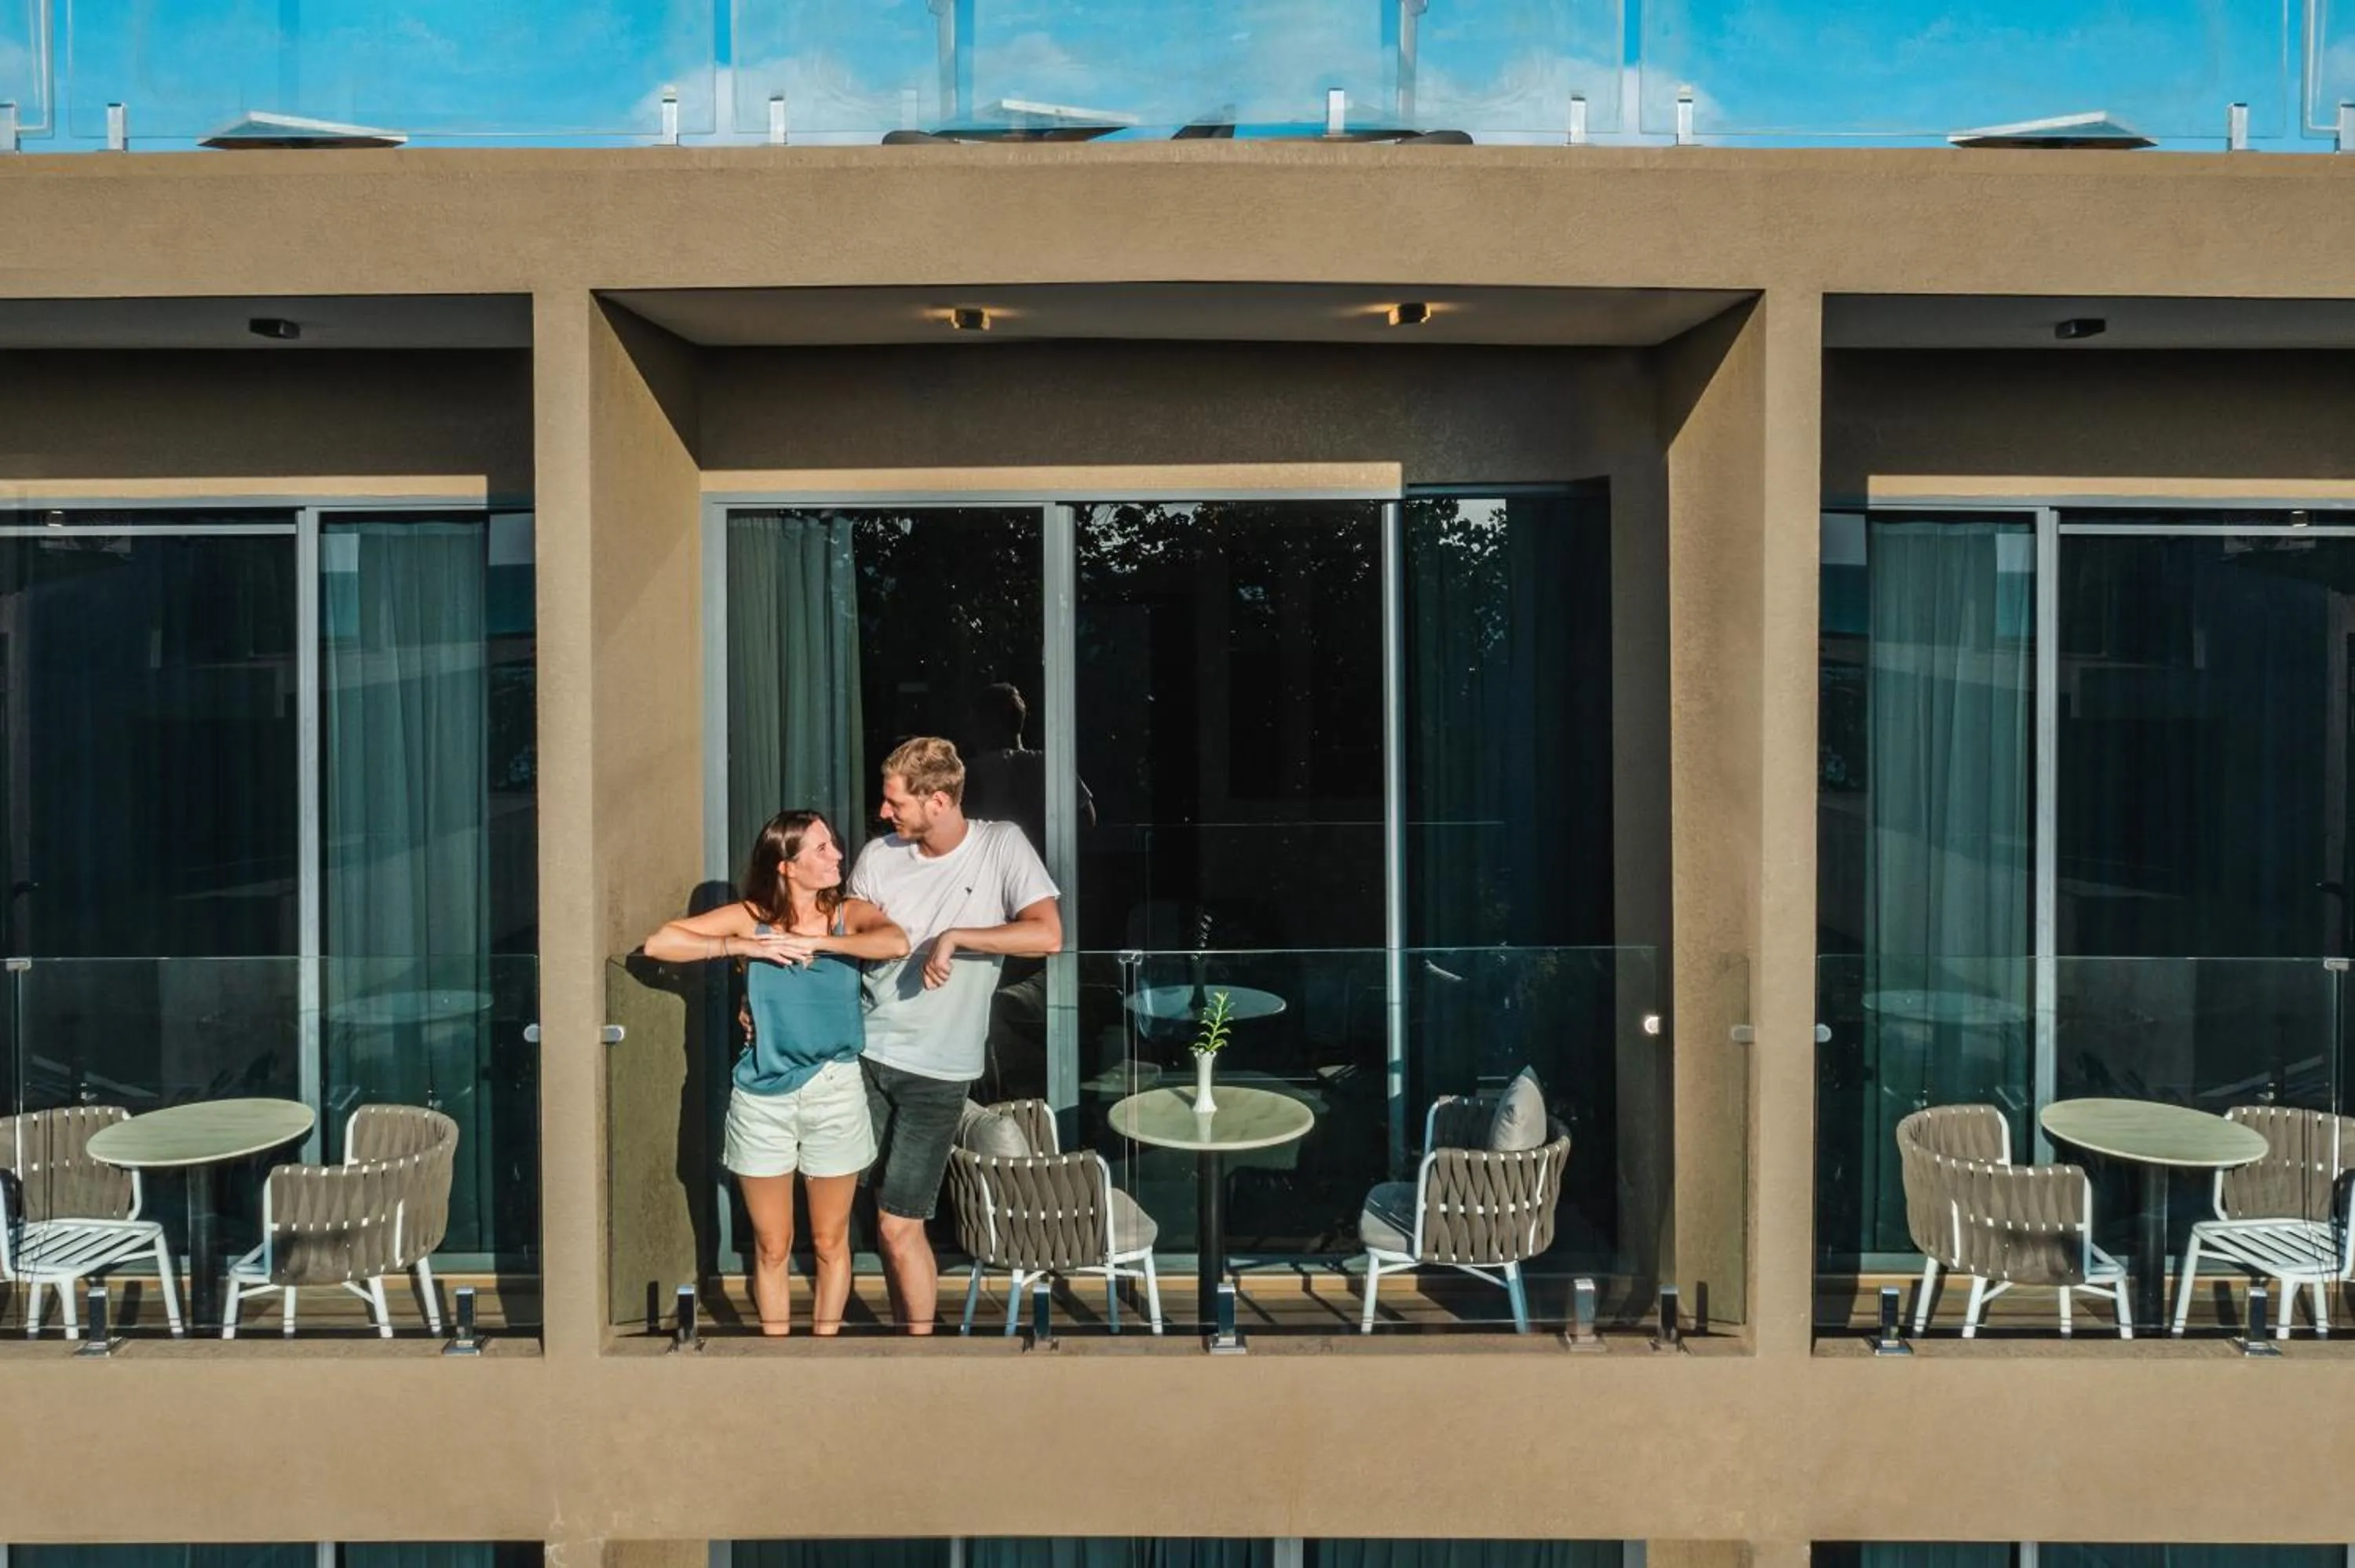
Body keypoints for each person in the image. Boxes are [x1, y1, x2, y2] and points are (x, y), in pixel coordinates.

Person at [641, 810, 908, 1337]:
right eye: (821, 849)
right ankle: (776, 1352)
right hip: (762, 1096)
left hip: (834, 1089)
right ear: (786, 865)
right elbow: (660, 944)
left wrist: (817, 944)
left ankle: (823, 1350)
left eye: (833, 845)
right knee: (771, 1245)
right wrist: (745, 946)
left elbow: (895, 942)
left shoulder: (847, 914)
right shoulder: (752, 917)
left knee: (830, 1242)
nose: (837, 856)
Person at [849, 735, 1062, 1333]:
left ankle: (918, 1351)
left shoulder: (1000, 845)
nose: (884, 812)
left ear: (938, 801)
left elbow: (1047, 935)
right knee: (856, 1212)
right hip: (863, 1054)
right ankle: (900, 1334)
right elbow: (849, 941)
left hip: (938, 1072)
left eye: (896, 802)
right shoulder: (878, 856)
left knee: (898, 1220)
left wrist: (958, 937)